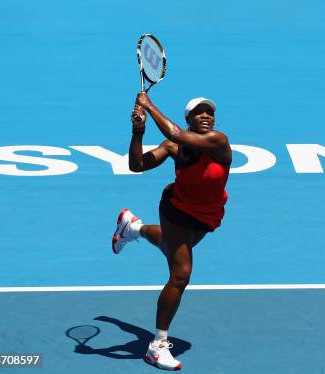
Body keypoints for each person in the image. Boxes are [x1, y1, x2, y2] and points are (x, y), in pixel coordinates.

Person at [111, 92, 231, 370]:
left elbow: (175, 131)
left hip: (208, 215)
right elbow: (136, 165)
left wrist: (148, 105)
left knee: (170, 245)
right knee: (180, 274)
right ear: (188, 119)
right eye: (198, 113)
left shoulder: (219, 142)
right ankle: (157, 346)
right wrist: (137, 132)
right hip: (176, 210)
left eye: (209, 113)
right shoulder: (173, 146)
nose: (205, 116)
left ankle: (133, 227)